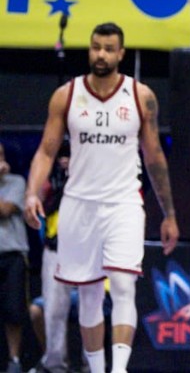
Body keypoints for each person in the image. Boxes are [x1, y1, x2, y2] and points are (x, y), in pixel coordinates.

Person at [23, 22, 180, 373]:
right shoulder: (67, 95)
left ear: (121, 53)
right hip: (79, 203)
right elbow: (46, 151)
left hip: (124, 203)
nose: (101, 54)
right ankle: (97, 369)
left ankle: (118, 369)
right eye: (96, 47)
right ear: (89, 49)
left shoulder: (140, 96)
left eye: (109, 49)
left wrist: (169, 213)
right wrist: (32, 192)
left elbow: (154, 157)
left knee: (123, 284)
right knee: (90, 293)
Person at [30, 141, 74, 373]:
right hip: (55, 248)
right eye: (62, 156)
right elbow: (39, 203)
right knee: (53, 309)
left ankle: (92, 364)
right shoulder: (51, 180)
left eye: (69, 155)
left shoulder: (89, 177)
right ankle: (56, 363)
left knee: (91, 308)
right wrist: (51, 182)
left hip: (86, 250)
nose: (65, 160)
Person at [0, 144, 28, 373]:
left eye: (0, 154)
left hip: (13, 255)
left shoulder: (17, 182)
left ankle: (15, 360)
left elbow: (5, 210)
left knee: (14, 310)